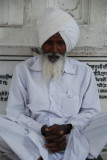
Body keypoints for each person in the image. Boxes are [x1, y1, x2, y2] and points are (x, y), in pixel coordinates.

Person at [0, 7, 106, 160]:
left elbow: (91, 113)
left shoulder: (84, 72)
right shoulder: (23, 70)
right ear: (42, 43)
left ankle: (63, 153)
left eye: (60, 43)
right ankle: (40, 154)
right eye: (49, 42)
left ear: (67, 45)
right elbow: (16, 113)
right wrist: (43, 130)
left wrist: (67, 128)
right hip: (35, 138)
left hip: (73, 138)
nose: (54, 49)